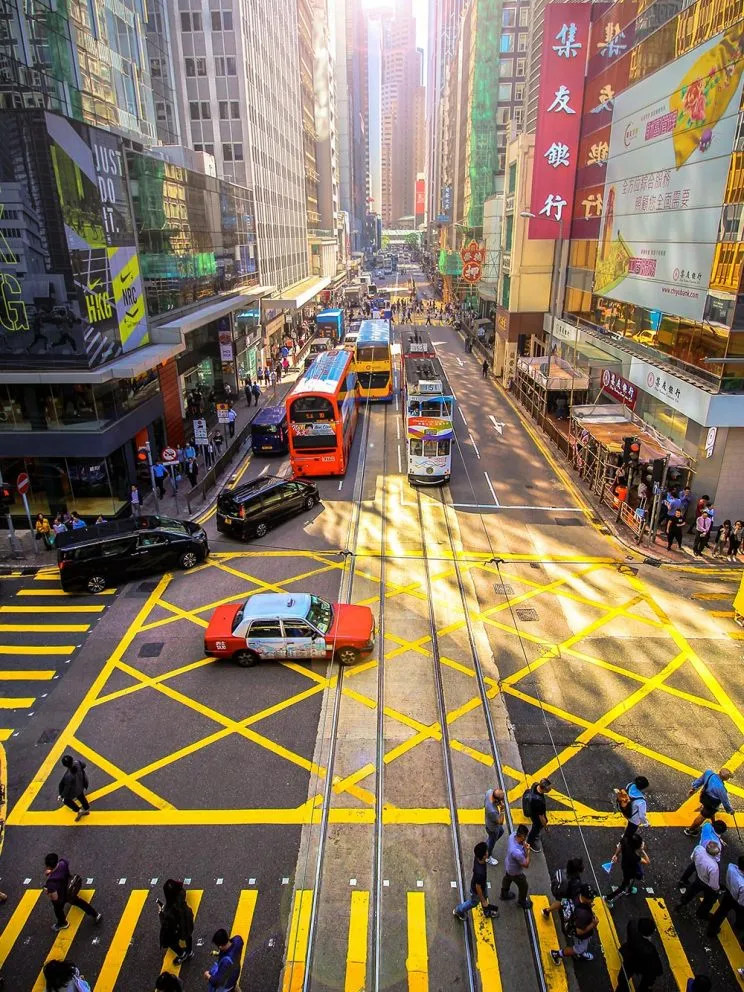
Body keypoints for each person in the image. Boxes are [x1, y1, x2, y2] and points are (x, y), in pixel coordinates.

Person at [44, 852, 102, 931]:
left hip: (62, 896)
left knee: (58, 909)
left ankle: (63, 923)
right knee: (79, 902)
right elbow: (60, 871)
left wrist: (47, 891)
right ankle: (95, 914)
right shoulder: (62, 863)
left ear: (48, 866)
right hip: (70, 890)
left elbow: (55, 898)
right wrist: (52, 872)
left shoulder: (51, 883)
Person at [550, 884, 598, 964]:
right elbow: (579, 931)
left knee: (579, 944)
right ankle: (557, 954)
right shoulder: (583, 914)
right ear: (585, 898)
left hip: (570, 923)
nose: (593, 899)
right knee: (579, 949)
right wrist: (593, 924)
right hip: (579, 934)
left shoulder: (576, 894)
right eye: (591, 898)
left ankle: (580, 953)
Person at [615, 917, 664, 992]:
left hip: (629, 958)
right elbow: (656, 968)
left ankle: (621, 989)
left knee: (623, 977)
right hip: (640, 964)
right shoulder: (649, 949)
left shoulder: (632, 926)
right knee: (648, 979)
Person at [675, 840, 720, 918]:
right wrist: (717, 889)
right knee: (709, 900)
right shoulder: (714, 866)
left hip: (699, 876)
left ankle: (681, 903)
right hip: (706, 882)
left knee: (691, 891)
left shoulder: (699, 849)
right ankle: (701, 913)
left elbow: (692, 858)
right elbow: (713, 884)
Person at [453, 842, 497, 920]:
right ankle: (458, 910)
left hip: (482, 885)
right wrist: (483, 900)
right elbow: (478, 887)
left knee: (485, 896)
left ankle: (486, 911)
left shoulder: (477, 858)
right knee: (474, 902)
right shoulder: (480, 873)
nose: (488, 852)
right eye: (486, 851)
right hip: (477, 891)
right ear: (484, 856)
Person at [678, 818, 727, 889]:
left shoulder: (707, 826)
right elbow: (716, 858)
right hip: (709, 857)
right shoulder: (717, 844)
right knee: (707, 873)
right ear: (721, 832)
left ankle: (683, 880)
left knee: (693, 866)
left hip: (700, 851)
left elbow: (708, 824)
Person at [684, 766, 734, 835]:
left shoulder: (709, 773)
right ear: (726, 779)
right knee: (702, 817)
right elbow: (725, 802)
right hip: (712, 804)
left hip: (704, 797)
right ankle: (690, 830)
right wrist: (730, 811)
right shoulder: (721, 789)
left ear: (719, 772)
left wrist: (693, 788)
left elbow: (700, 780)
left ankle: (713, 823)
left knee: (710, 812)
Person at [605, 833, 649, 906]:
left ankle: (629, 888)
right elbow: (647, 861)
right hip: (630, 870)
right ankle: (608, 898)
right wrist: (643, 850)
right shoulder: (633, 856)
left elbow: (620, 846)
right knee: (625, 885)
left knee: (631, 879)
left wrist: (615, 855)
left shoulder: (625, 840)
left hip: (625, 864)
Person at [706, 853, 744, 936]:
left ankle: (711, 931)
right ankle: (739, 926)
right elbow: (741, 902)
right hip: (737, 901)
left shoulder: (731, 867)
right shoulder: (742, 884)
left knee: (721, 912)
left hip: (728, 893)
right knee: (741, 915)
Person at [158, 878, 194, 965]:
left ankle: (182, 954)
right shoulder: (181, 894)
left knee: (169, 941)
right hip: (186, 919)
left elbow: (166, 923)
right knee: (188, 935)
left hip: (177, 927)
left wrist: (160, 913)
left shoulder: (169, 910)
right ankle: (189, 951)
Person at [500, 824, 532, 908]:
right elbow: (526, 864)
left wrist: (524, 844)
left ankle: (504, 893)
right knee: (524, 885)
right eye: (525, 837)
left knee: (507, 878)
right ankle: (521, 902)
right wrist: (528, 852)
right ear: (521, 836)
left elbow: (521, 842)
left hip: (508, 864)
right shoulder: (516, 852)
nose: (525, 839)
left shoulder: (512, 836)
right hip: (515, 871)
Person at [58, 754, 90, 819]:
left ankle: (79, 810)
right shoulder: (78, 763)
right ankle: (86, 807)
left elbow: (67, 789)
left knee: (66, 801)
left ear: (64, 765)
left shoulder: (68, 776)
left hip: (74, 791)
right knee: (81, 796)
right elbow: (84, 765)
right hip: (81, 785)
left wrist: (61, 796)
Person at [524, 778, 552, 852]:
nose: (550, 790)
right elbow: (541, 817)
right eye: (548, 789)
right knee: (535, 828)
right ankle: (530, 842)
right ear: (543, 789)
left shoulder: (535, 785)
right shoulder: (539, 802)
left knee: (536, 828)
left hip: (532, 810)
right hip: (536, 816)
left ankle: (534, 837)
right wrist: (546, 827)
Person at [484, 787, 505, 866]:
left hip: (492, 825)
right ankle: (487, 857)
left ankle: (488, 842)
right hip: (492, 828)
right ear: (496, 800)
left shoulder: (489, 792)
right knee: (492, 843)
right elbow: (500, 822)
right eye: (501, 800)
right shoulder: (492, 811)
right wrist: (502, 810)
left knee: (501, 832)